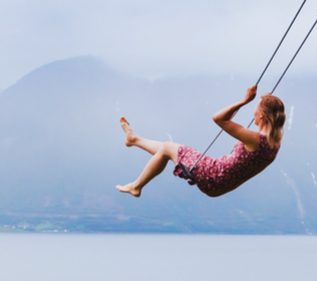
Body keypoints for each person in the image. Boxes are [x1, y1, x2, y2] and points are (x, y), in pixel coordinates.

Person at [116, 85, 284, 198]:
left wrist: (244, 101)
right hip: (221, 186)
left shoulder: (255, 140)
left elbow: (218, 118)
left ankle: (136, 186)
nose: (253, 113)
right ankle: (134, 139)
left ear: (262, 115)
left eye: (256, 110)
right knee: (166, 150)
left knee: (168, 147)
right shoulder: (275, 143)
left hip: (212, 174)